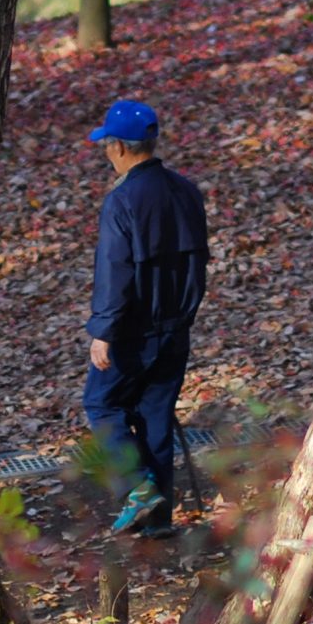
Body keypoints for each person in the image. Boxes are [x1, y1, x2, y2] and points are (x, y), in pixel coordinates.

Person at [83, 99, 209, 536]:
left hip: (134, 331)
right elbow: (198, 263)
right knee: (155, 416)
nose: (105, 154)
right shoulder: (186, 190)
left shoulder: (123, 201)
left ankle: (138, 488)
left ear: (118, 147)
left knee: (102, 403)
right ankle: (156, 524)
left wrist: (104, 330)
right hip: (177, 327)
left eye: (106, 145)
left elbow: (116, 272)